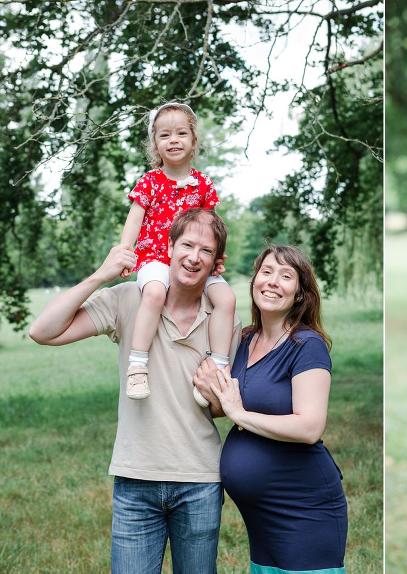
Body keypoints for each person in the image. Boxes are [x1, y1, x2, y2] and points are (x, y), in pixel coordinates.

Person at [29, 208, 240, 574]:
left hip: (200, 481)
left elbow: (221, 409)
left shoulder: (224, 318)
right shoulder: (130, 299)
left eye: (205, 250)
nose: (194, 257)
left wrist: (218, 393)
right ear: (169, 247)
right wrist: (102, 274)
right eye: (187, 245)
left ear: (216, 262)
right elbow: (42, 331)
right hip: (135, 479)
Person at [193, 245, 348, 574]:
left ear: (300, 294)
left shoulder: (307, 346)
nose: (273, 281)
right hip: (261, 519)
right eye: (266, 272)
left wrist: (239, 415)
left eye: (286, 275)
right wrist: (213, 391)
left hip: (303, 509)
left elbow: (309, 428)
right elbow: (233, 403)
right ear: (253, 282)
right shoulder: (246, 340)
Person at [120, 101, 236, 406]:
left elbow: (213, 226)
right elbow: (134, 219)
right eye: (165, 135)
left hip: (196, 262)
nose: (173, 140)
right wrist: (124, 252)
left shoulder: (203, 184)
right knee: (155, 293)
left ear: (193, 141)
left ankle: (218, 368)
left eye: (181, 133)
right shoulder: (150, 182)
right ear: (155, 145)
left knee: (227, 299)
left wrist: (216, 257)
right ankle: (137, 364)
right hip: (156, 258)